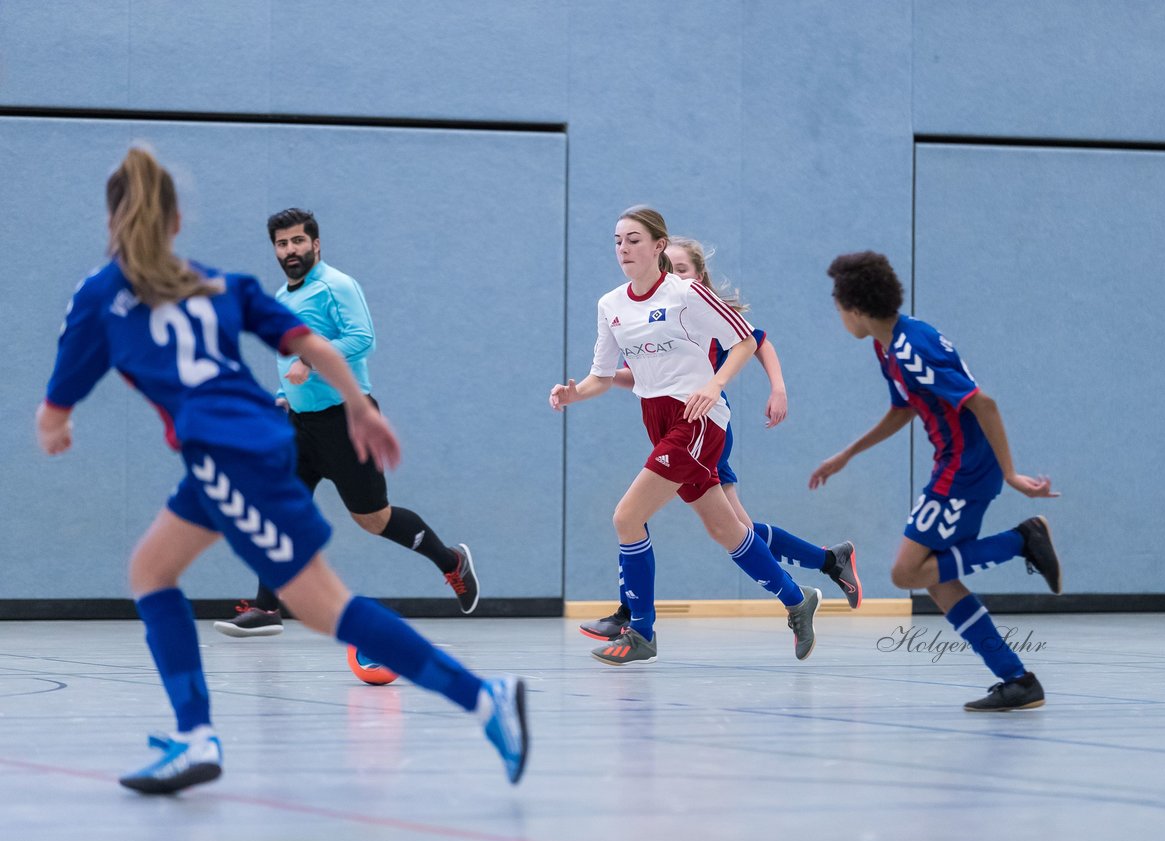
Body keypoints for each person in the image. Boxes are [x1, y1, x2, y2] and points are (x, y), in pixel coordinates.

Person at [36, 148, 528, 792]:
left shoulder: (99, 294)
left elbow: (56, 404)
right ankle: (195, 735)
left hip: (229, 457)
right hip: (251, 443)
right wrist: (362, 406)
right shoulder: (223, 283)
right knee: (152, 571)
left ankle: (485, 698)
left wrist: (56, 424)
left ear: (112, 223)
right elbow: (308, 344)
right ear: (178, 222)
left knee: (325, 607)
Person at [550, 206, 822, 666]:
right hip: (655, 418)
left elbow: (746, 340)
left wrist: (714, 384)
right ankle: (798, 600)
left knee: (627, 516)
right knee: (724, 529)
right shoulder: (610, 305)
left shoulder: (687, 293)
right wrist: (575, 393)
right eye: (617, 240)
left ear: (659, 246)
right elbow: (600, 377)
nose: (623, 249)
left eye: (634, 239)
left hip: (697, 419)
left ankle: (641, 631)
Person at [810, 250, 1062, 711]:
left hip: (964, 469)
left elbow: (983, 403)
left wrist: (1010, 474)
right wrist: (848, 453)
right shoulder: (890, 344)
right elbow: (903, 409)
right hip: (957, 465)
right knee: (937, 578)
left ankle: (1022, 540)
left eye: (839, 305)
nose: (839, 315)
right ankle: (1017, 679)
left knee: (906, 570)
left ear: (858, 309)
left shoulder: (912, 349)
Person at [212, 208, 478, 638]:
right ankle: (265, 607)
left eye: (298, 241)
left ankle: (451, 562)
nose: (290, 250)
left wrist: (307, 362)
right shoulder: (283, 297)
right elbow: (289, 358)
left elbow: (362, 337)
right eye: (282, 244)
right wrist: (283, 395)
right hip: (299, 424)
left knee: (373, 519)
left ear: (315, 244)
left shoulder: (336, 285)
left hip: (347, 420)